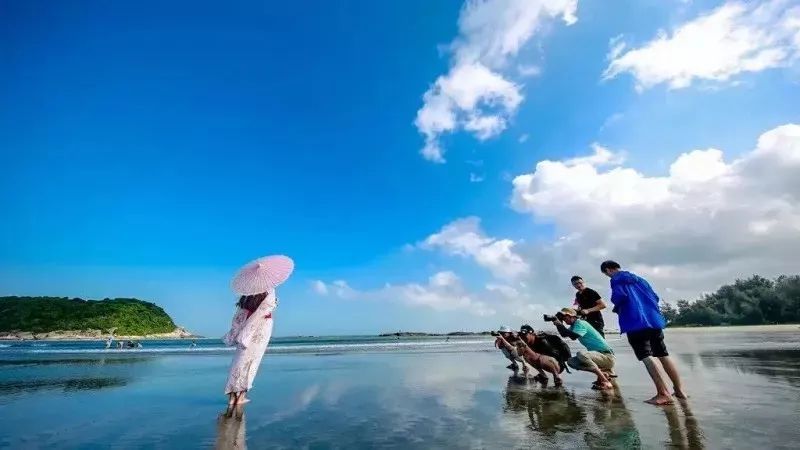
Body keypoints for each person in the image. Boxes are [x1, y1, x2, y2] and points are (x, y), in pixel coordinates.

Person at [601, 260, 686, 405]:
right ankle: (679, 391)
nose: (608, 276)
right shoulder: (641, 280)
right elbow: (655, 297)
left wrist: (617, 306)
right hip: (653, 320)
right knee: (662, 354)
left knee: (646, 356)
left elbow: (619, 297)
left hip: (635, 322)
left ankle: (663, 393)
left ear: (608, 270)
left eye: (606, 274)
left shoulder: (615, 279)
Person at [223, 291, 278, 408]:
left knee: (239, 362)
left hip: (245, 332)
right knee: (252, 363)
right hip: (261, 329)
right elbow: (265, 310)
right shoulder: (269, 292)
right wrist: (274, 304)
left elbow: (239, 317)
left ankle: (232, 397)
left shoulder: (247, 294)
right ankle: (241, 397)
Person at [551, 308, 615, 390]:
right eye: (563, 318)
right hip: (598, 357)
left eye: (565, 317)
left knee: (581, 354)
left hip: (607, 356)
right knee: (571, 362)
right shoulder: (573, 326)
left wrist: (559, 324)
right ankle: (603, 374)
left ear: (572, 316)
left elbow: (574, 336)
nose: (564, 319)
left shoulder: (580, 323)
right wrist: (558, 323)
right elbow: (564, 334)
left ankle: (605, 381)